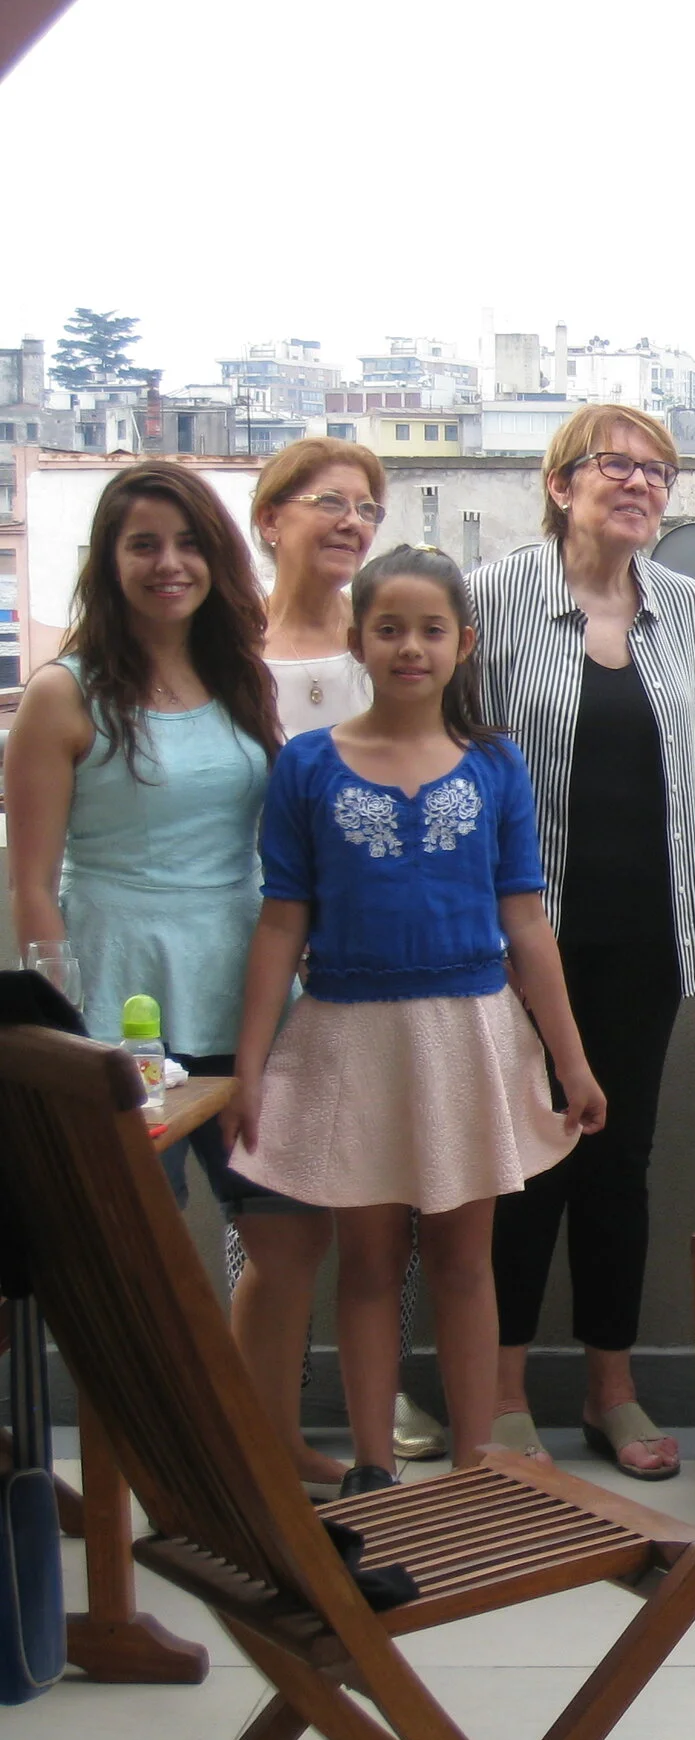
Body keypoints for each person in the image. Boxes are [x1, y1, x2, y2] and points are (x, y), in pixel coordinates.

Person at [471, 404, 695, 1483]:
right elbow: (451, 752)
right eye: (614, 465)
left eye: (657, 470)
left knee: (617, 1159)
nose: (639, 483)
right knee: (522, 1165)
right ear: (560, 481)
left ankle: (611, 1389)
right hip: (521, 933)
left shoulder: (677, 603)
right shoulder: (490, 601)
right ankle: (500, 1394)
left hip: (650, 930)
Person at [226, 546, 606, 1488]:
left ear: (463, 643)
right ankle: (369, 1465)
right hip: (349, 1037)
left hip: (469, 1036)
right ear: (357, 640)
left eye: (431, 629)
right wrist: (247, 1067)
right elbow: (281, 923)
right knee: (365, 1263)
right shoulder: (307, 766)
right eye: (388, 628)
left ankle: (478, 1465)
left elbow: (526, 920)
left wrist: (574, 1061)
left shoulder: (493, 766)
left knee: (464, 1261)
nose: (409, 647)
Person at [2, 464, 287, 1370]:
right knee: (139, 1256)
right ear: (109, 561)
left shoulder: (243, 676)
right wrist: (68, 1027)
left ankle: (262, 1453)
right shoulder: (63, 693)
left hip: (245, 998)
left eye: (189, 542)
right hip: (122, 1011)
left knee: (284, 1239)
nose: (170, 563)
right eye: (144, 545)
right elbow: (35, 883)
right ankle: (149, 1473)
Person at [225, 436, 451, 1478]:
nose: (353, 519)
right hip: (256, 948)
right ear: (270, 519)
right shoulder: (226, 657)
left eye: (368, 504)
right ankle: (267, 1429)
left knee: (375, 1207)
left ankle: (368, 1414)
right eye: (329, 500)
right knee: (270, 1214)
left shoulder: (381, 648)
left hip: (372, 974)